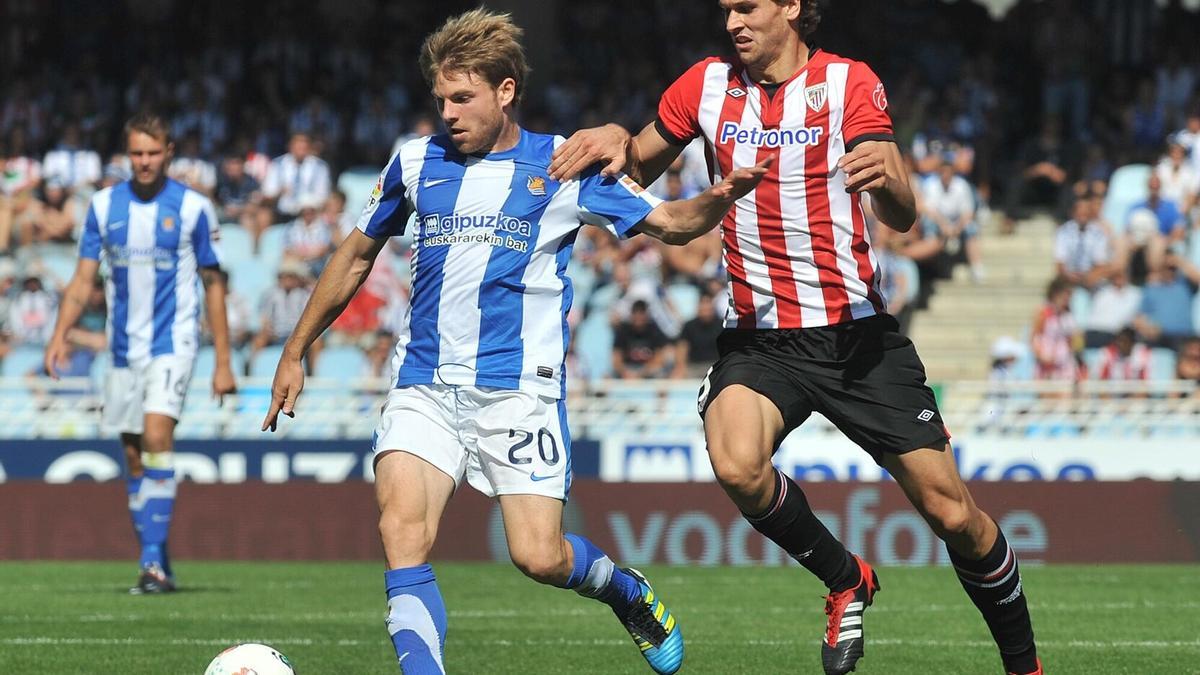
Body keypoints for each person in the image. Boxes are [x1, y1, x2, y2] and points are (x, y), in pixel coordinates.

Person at [261, 9, 771, 674]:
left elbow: (671, 223)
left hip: (517, 394)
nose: (447, 111)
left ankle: (626, 588)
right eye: (440, 98)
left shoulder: (564, 165)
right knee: (402, 532)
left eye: (462, 97)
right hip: (425, 383)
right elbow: (356, 255)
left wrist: (721, 195)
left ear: (505, 92)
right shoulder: (414, 163)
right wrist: (295, 348)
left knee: (539, 555)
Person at [549, 2, 1042, 673]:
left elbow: (899, 213)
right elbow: (633, 165)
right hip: (759, 342)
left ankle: (1024, 665)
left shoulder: (849, 83)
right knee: (735, 461)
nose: (732, 21)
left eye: (746, 6)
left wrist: (896, 186)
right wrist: (614, 136)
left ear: (792, 6)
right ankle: (847, 578)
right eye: (725, 9)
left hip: (855, 339)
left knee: (954, 516)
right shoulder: (703, 87)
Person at [43, 112, 237, 594]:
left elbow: (213, 283)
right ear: (126, 155)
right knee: (133, 457)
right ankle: (159, 557)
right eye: (137, 153)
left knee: (156, 437)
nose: (145, 161)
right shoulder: (104, 205)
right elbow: (83, 278)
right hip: (123, 347)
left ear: (169, 152)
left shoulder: (193, 208)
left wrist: (224, 361)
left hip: (174, 342)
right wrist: (59, 333)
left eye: (153, 152)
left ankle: (150, 562)